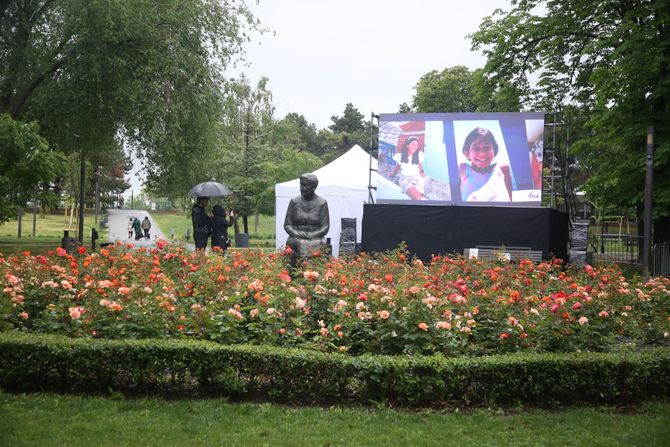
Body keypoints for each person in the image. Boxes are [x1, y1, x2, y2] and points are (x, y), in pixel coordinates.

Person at [458, 127, 512, 202]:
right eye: (476, 148)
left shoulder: (502, 169)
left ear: (494, 151)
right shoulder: (463, 170)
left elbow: (509, 199)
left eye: (487, 147)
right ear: (467, 154)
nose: (482, 153)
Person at [284, 173, 330, 261]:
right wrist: (296, 233)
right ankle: (296, 271)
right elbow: (287, 225)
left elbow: (325, 227)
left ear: (313, 187)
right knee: (297, 243)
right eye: (301, 185)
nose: (302, 188)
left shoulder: (322, 203)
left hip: (315, 237)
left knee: (320, 244)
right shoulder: (294, 202)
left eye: (305, 185)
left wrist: (312, 235)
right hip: (296, 237)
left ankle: (314, 271)